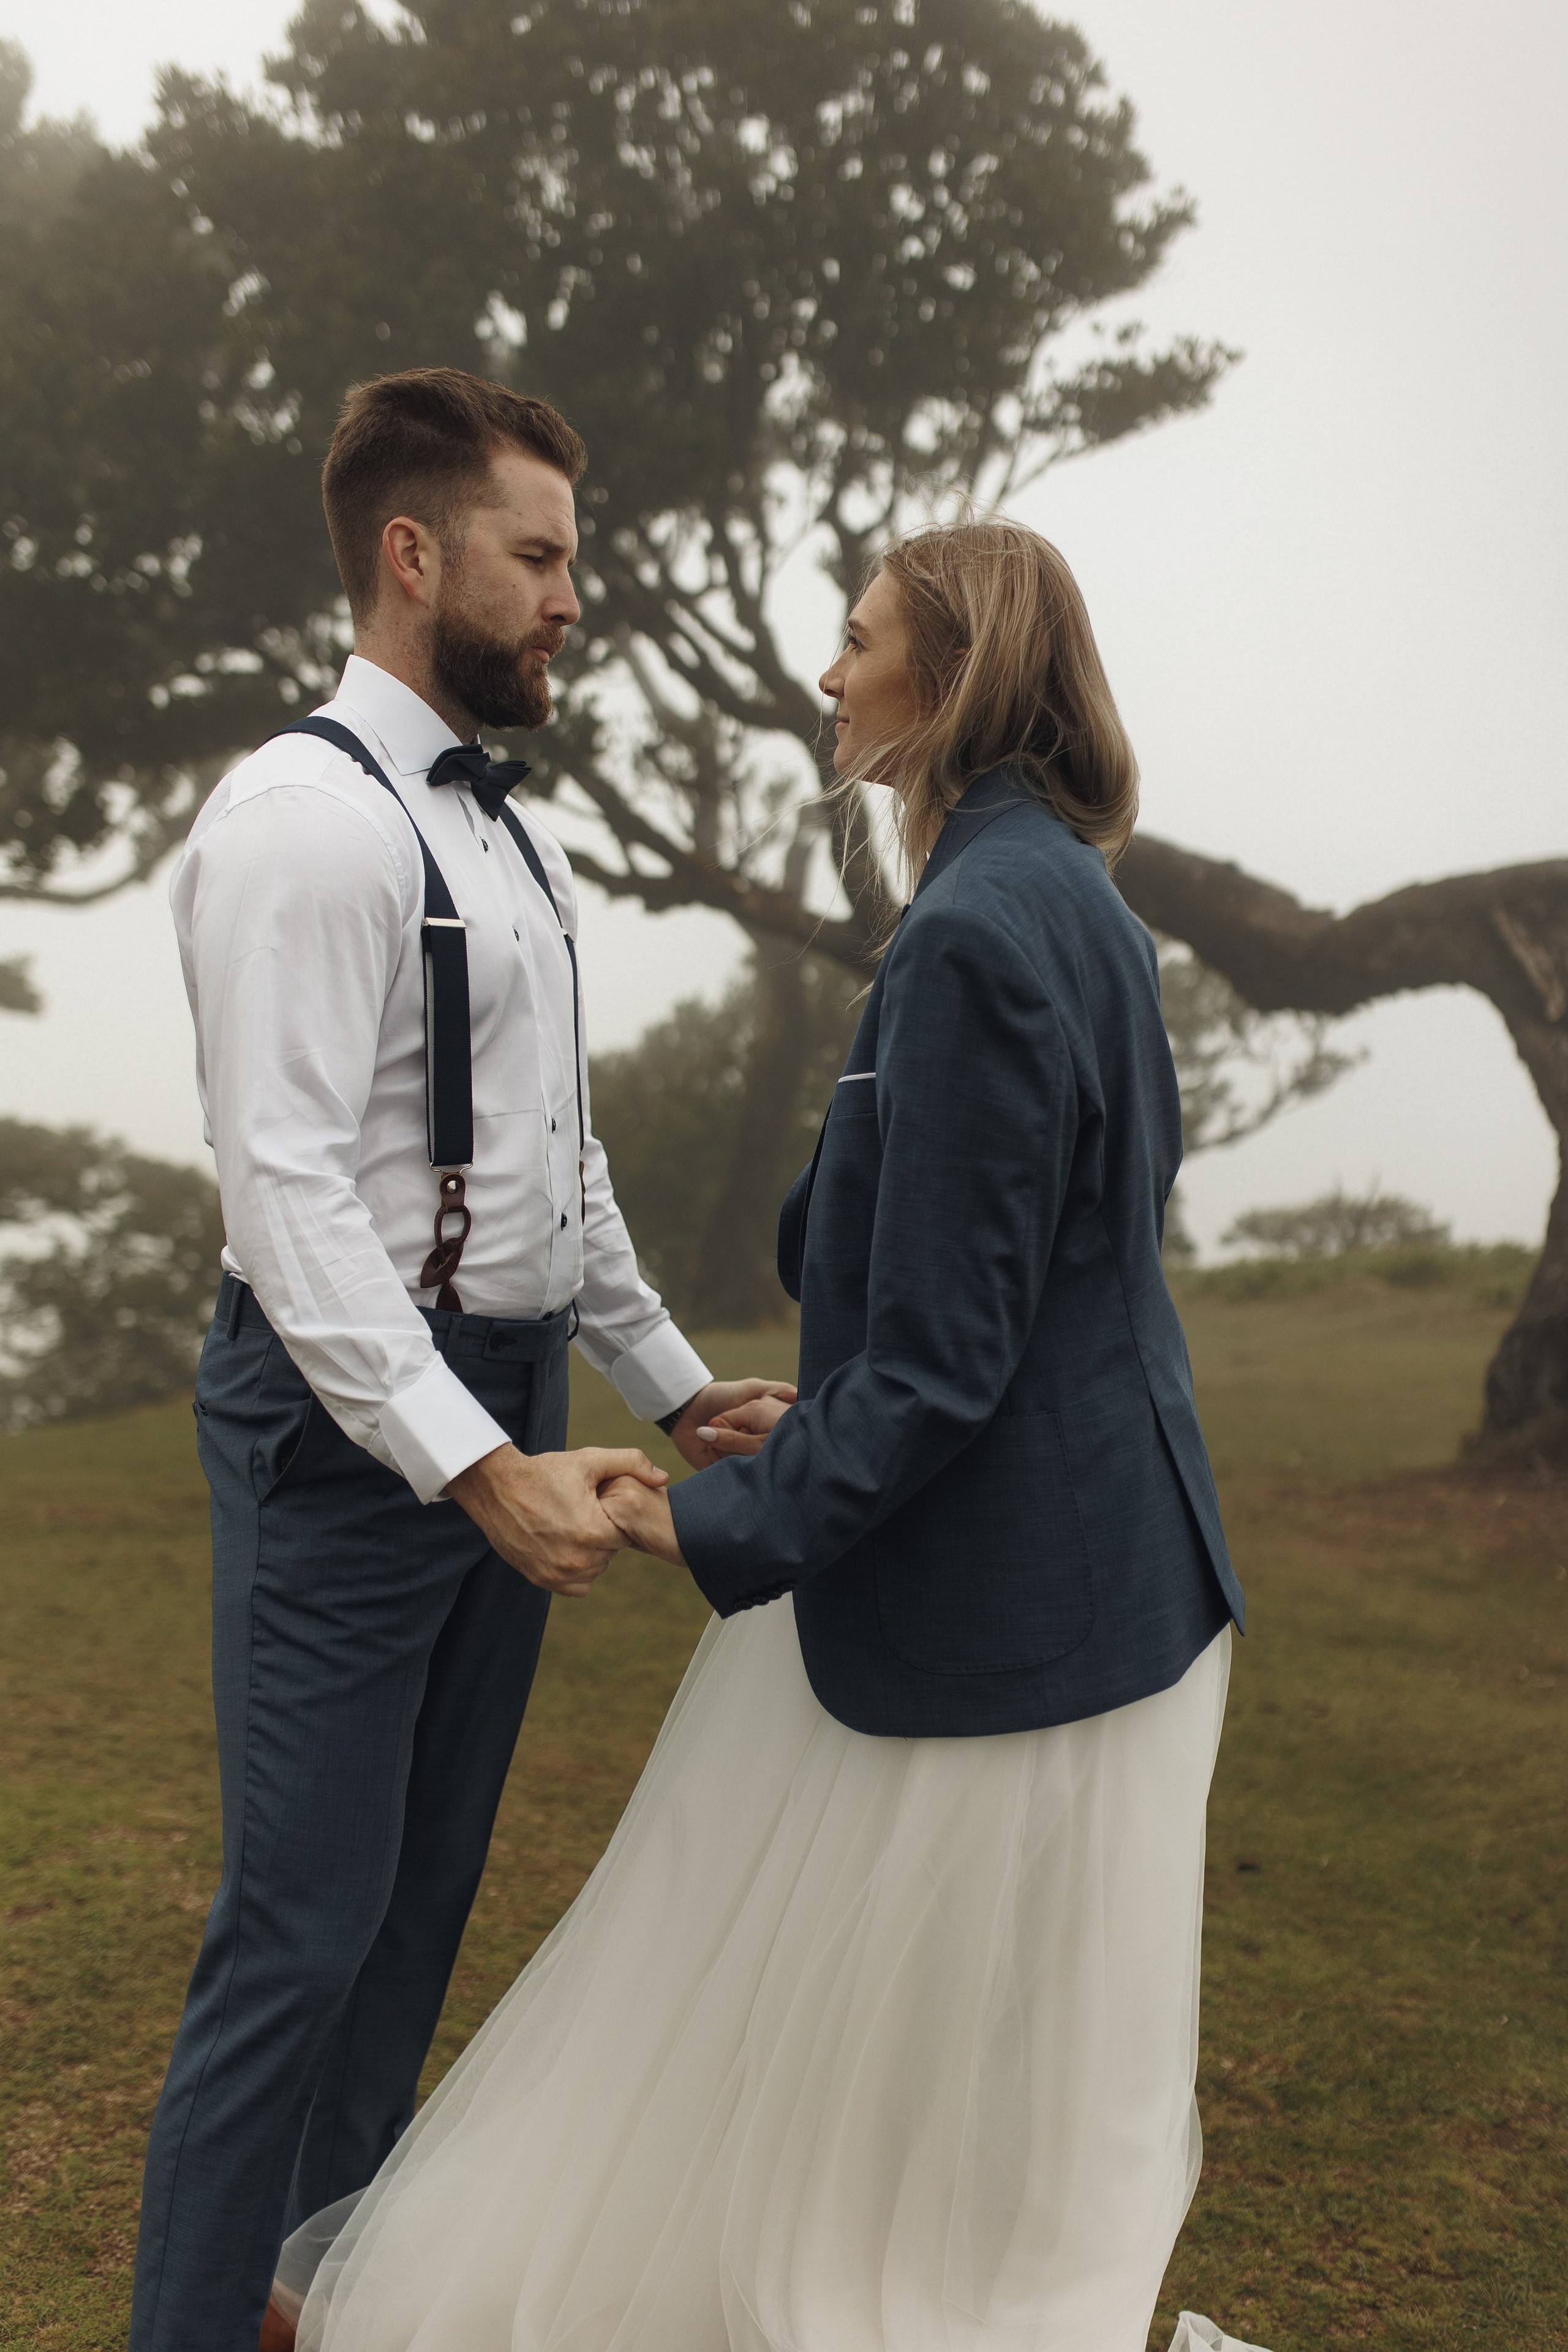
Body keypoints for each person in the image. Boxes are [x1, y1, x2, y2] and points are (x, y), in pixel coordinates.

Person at [279, 517, 1267, 2352]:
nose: (828, 672)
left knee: (833, 2040)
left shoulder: (980, 929)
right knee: (980, 2081)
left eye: (861, 636)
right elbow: (1042, 1283)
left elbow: (963, 1356)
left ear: (953, 674)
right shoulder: (1066, 896)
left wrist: (712, 1522)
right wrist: (833, 1393)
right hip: (1111, 1570)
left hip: (1014, 1611)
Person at [130, 366, 794, 2352]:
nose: (572, 596)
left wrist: (670, 1388)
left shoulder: (517, 851)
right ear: (413, 557)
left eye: (570, 560)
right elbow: (289, 1203)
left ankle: (316, 2305)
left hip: (496, 1402)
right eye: (540, 556)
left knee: (413, 1929)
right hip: (355, 1431)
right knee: (300, 1935)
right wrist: (465, 1458)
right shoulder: (296, 828)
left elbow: (551, 1177)